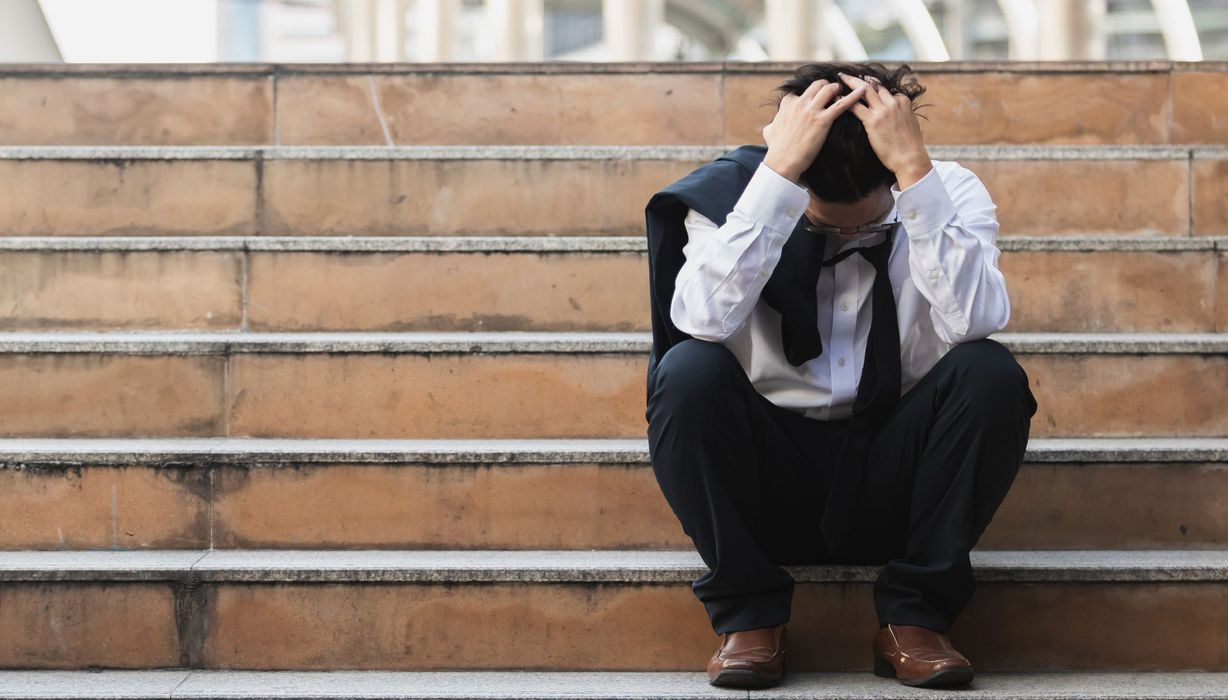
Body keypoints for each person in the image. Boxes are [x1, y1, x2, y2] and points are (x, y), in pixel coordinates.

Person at [642, 62, 1038, 690]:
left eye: (868, 221)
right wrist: (775, 179)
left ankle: (917, 619)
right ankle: (749, 617)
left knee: (989, 372)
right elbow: (700, 319)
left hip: (898, 468)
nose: (853, 235)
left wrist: (913, 173)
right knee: (688, 372)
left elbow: (976, 320)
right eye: (831, 223)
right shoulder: (734, 197)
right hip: (770, 468)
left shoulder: (946, 192)